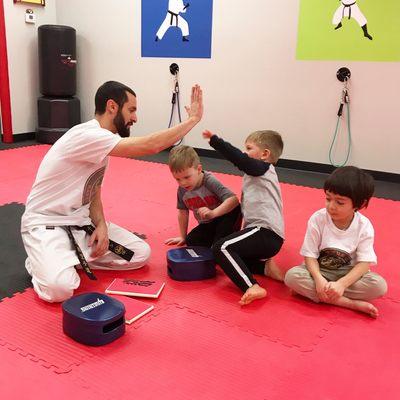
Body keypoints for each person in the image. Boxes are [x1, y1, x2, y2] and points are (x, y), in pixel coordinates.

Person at [21, 81, 203, 303]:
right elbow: (150, 146)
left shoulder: (104, 143)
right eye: (132, 110)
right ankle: (39, 262)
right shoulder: (87, 136)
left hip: (80, 225)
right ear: (112, 107)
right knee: (60, 290)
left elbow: (94, 190)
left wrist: (101, 226)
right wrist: (192, 120)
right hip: (46, 225)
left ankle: (65, 259)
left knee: (138, 254)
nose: (135, 118)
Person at [284, 166, 387, 318]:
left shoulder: (364, 226)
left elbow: (364, 263)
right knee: (292, 277)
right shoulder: (318, 219)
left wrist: (342, 284)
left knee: (379, 286)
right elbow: (310, 255)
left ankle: (314, 294)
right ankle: (349, 303)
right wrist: (318, 279)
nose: (331, 206)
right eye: (328, 198)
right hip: (320, 270)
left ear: (358, 204)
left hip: (348, 273)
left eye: (340, 202)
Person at [202, 129, 285, 306]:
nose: (245, 152)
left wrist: (216, 142)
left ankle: (252, 286)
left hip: (265, 233)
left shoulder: (263, 168)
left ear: (265, 154)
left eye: (248, 148)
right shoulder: (258, 173)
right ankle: (265, 268)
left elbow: (240, 160)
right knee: (227, 256)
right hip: (264, 237)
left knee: (221, 248)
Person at [165, 145, 241, 247]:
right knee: (191, 241)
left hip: (226, 216)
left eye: (187, 177)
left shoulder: (209, 181)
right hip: (208, 222)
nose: (182, 183)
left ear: (199, 169)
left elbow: (234, 200)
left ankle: (231, 239)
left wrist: (213, 213)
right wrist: (183, 236)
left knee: (219, 246)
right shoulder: (182, 190)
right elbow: (183, 212)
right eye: (177, 179)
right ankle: (217, 239)